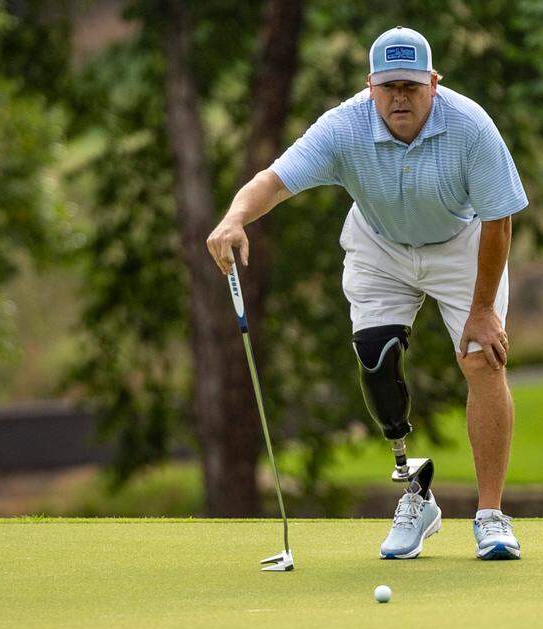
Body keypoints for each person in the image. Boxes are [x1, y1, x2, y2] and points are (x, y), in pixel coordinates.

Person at [206, 26, 526, 561]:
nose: (400, 97)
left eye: (411, 86)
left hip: (461, 245)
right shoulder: (344, 126)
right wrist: (234, 217)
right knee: (376, 359)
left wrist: (481, 311)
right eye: (389, 87)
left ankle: (491, 516)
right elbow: (276, 180)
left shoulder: (471, 126)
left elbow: (499, 220)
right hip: (380, 244)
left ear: (433, 84)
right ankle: (415, 496)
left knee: (482, 359)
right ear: (370, 86)